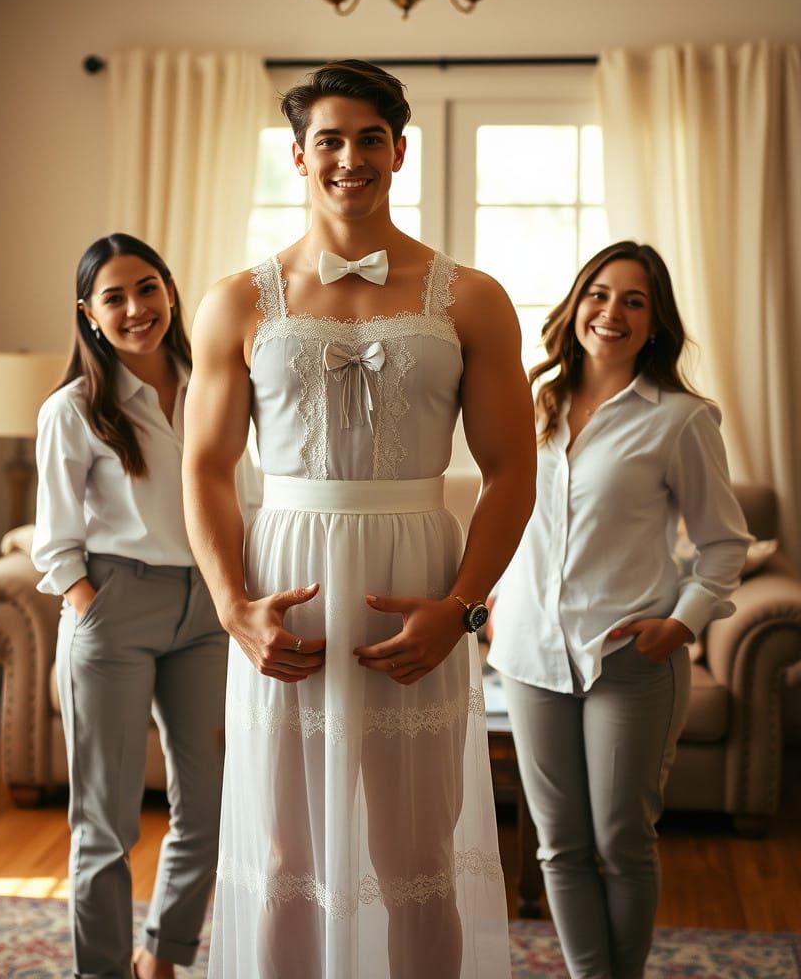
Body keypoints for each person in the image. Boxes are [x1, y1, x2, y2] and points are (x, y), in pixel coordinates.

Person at [181, 60, 536, 978]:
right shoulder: (235, 301)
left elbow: (510, 474)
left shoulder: (474, 298)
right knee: (288, 859)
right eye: (329, 141)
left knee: (418, 862)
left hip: (414, 582)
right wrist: (233, 607)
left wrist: (460, 608)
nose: (350, 159)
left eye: (369, 139)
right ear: (298, 157)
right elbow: (208, 470)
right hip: (286, 589)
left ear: (399, 152)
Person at [488, 240, 752, 979]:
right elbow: (502, 516)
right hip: (531, 656)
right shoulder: (528, 404)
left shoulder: (681, 420)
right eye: (600, 295)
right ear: (576, 305)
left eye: (634, 301)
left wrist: (683, 623)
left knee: (621, 842)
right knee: (557, 845)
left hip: (632, 657)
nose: (612, 313)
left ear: (655, 322)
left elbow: (725, 543)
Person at [32, 233, 228, 979]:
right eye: (113, 296)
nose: (136, 308)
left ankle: (165, 955)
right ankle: (104, 972)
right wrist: (89, 605)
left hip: (206, 613)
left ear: (171, 292)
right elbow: (54, 541)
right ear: (89, 314)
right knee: (106, 827)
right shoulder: (76, 408)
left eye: (147, 288)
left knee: (206, 808)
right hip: (115, 605)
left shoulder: (216, 383)